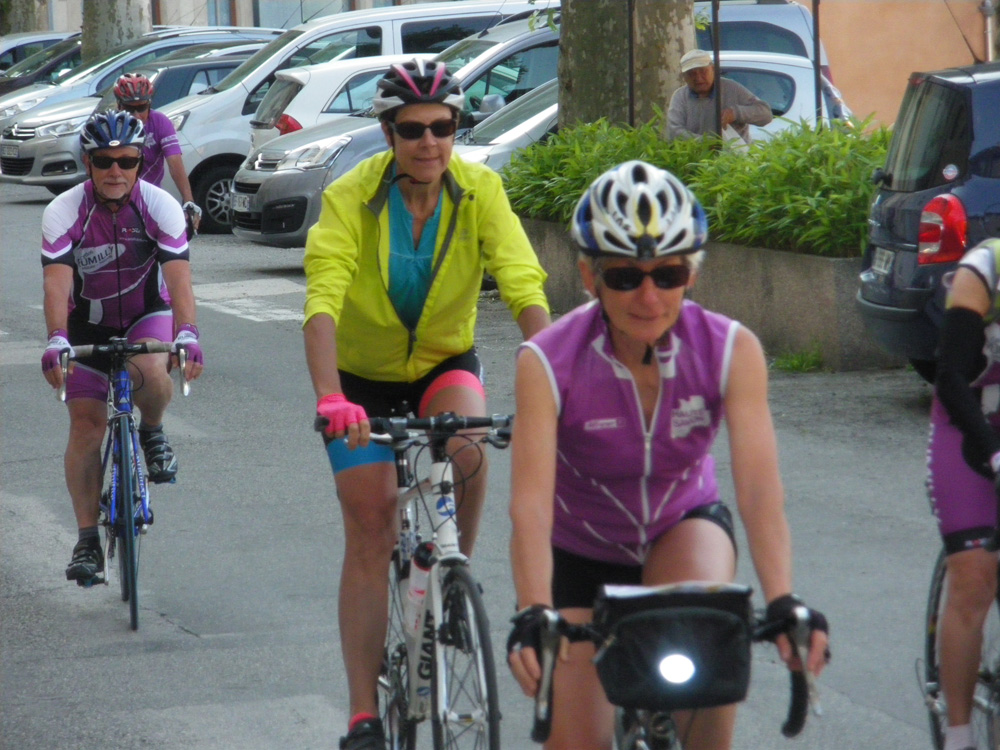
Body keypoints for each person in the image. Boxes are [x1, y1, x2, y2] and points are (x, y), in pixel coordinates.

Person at [505, 161, 828, 750]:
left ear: (692, 274)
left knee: (707, 681)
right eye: (625, 276)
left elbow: (759, 490)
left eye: (669, 274)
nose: (649, 297)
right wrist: (533, 609)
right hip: (581, 550)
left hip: (682, 527)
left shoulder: (731, 349)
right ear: (589, 276)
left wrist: (783, 599)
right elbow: (530, 504)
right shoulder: (547, 362)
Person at [301, 59, 550, 750]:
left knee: (469, 446)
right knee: (372, 522)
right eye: (412, 129)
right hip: (359, 381)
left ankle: (452, 569)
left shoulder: (480, 190)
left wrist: (559, 380)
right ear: (388, 133)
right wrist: (330, 396)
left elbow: (523, 282)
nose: (429, 142)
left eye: (443, 127)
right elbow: (322, 299)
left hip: (444, 361)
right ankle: (361, 715)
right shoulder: (352, 197)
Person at [41, 109, 204, 586]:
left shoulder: (160, 205)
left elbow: (180, 280)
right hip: (85, 324)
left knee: (154, 372)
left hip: (144, 313)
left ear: (139, 162)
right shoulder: (64, 211)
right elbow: (56, 286)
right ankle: (87, 540)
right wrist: (56, 339)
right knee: (86, 425)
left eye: (127, 161)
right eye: (104, 161)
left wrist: (188, 332)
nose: (116, 171)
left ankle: (151, 431)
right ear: (87, 163)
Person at [927, 236, 1000, 750]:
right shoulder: (985, 268)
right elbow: (950, 377)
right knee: (974, 577)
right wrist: (993, 452)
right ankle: (958, 733)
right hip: (967, 431)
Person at [113, 73, 201, 233]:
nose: (136, 115)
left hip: (150, 197)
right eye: (129, 109)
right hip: (116, 197)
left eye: (141, 108)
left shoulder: (160, 122)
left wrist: (188, 200)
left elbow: (175, 163)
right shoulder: (111, 126)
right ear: (119, 106)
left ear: (149, 104)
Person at [666, 48, 772, 145]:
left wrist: (736, 113)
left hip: (735, 156)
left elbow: (766, 115)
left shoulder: (732, 88)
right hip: (697, 156)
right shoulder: (680, 96)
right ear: (684, 77)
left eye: (703, 71)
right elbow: (674, 131)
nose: (698, 78)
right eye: (691, 74)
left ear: (713, 69)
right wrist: (706, 142)